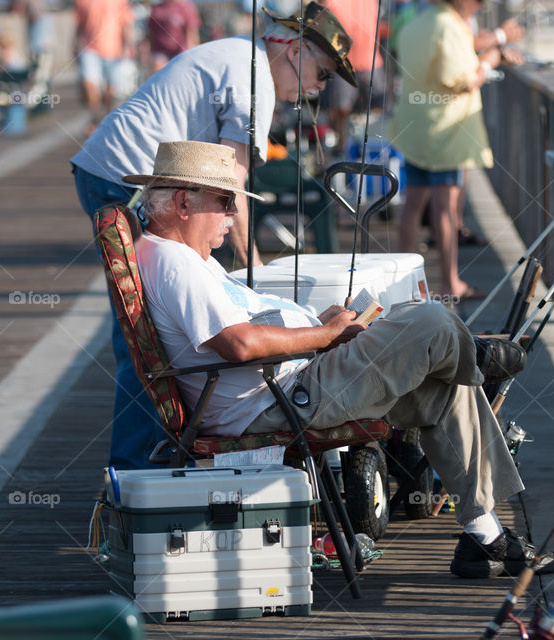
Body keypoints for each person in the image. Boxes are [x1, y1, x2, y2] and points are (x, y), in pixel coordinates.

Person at [129, 140, 554, 578]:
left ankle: (482, 534)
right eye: (225, 202)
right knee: (430, 318)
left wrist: (319, 325)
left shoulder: (185, 258)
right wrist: (327, 334)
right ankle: (474, 352)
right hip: (280, 400)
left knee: (444, 384)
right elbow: (238, 345)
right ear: (184, 203)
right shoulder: (175, 263)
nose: (234, 214)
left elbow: (242, 330)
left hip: (293, 380)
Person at [72, 2, 357, 469]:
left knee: (146, 326)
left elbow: (224, 191)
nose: (317, 89)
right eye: (322, 73)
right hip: (122, 177)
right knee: (140, 334)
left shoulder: (240, 55)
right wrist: (253, 274)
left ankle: (146, 463)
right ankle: (135, 472)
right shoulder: (256, 82)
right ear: (296, 50)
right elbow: (233, 188)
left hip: (105, 166)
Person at [391, 0, 515, 301]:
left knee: (412, 205)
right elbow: (463, 81)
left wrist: (489, 47)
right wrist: (490, 61)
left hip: (415, 126)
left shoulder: (418, 22)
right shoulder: (450, 26)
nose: (479, 7)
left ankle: (406, 287)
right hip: (445, 131)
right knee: (445, 210)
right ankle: (450, 283)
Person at [320, 0, 386, 155]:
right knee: (340, 110)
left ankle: (372, 146)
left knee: (379, 106)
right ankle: (341, 148)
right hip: (340, 62)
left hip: (371, 61)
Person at [75, 0, 135, 133]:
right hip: (89, 49)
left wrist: (128, 46)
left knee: (110, 89)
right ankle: (95, 118)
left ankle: (107, 120)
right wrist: (74, 44)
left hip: (113, 49)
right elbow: (79, 24)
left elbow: (126, 23)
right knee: (89, 84)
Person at [147, 0, 201, 74]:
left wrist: (190, 52)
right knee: (159, 76)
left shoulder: (185, 7)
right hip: (160, 52)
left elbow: (192, 32)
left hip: (180, 53)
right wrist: (149, 52)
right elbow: (151, 32)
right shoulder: (156, 9)